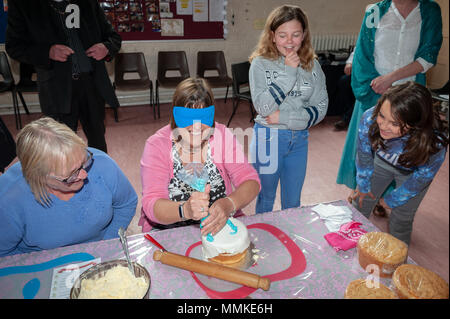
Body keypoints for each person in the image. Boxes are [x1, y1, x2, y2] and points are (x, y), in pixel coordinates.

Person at [336, 0, 443, 198]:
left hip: (408, 97)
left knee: (400, 149)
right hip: (374, 90)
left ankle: (388, 196)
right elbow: (363, 53)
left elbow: (428, 56)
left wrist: (392, 81)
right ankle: (362, 189)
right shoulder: (375, 11)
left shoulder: (430, 11)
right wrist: (376, 86)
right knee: (367, 144)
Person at [139, 77, 261, 236]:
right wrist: (185, 210)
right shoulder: (157, 145)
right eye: (188, 117)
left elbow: (250, 181)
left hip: (219, 225)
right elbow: (151, 203)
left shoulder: (221, 135)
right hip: (169, 231)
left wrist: (229, 203)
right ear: (176, 116)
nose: (196, 126)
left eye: (203, 117)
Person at [0, 117, 138, 257]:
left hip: (101, 247)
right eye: (71, 175)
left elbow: (127, 203)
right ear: (39, 176)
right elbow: (4, 254)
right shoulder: (8, 199)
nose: (84, 175)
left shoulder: (102, 163)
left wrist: (107, 243)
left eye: (84, 162)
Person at [5, 0, 122, 153]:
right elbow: (14, 47)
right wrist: (47, 52)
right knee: (62, 147)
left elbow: (113, 37)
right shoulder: (23, 4)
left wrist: (106, 47)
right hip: (56, 89)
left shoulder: (88, 2)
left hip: (92, 84)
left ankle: (99, 175)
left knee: (98, 141)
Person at [248, 5, 328, 214]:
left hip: (299, 139)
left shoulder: (312, 65)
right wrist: (289, 73)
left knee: (293, 202)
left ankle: (289, 242)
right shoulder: (260, 64)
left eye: (296, 35)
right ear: (272, 36)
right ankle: (263, 243)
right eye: (283, 35)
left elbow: (321, 106)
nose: (290, 41)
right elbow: (263, 107)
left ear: (304, 36)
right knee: (265, 198)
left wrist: (286, 118)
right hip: (268, 139)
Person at [350, 82, 448, 245]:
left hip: (413, 175)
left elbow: (420, 179)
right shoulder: (370, 117)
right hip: (381, 163)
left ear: (416, 124)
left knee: (401, 218)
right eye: (382, 115)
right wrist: (363, 182)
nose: (383, 125)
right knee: (360, 201)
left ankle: (396, 265)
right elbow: (364, 154)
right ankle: (349, 243)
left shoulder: (434, 144)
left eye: (395, 123)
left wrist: (392, 200)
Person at [333, 50, 356, 131]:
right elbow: (356, 51)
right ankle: (350, 114)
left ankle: (346, 119)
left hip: (373, 76)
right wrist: (349, 63)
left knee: (362, 93)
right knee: (343, 81)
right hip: (360, 73)